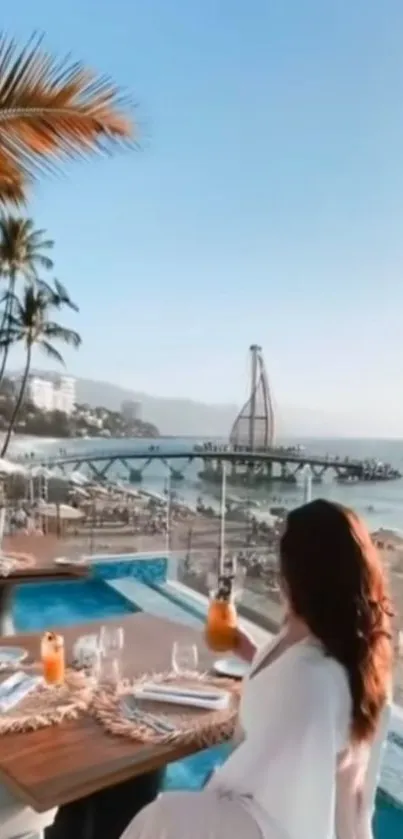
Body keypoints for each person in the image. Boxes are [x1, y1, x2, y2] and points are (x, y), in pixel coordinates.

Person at [120, 499, 394, 839]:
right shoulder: (349, 650)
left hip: (278, 824)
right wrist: (253, 653)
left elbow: (258, 771)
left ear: (299, 577)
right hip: (311, 815)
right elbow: (304, 698)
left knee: (161, 816)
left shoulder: (309, 678)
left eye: (283, 564)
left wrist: (213, 789)